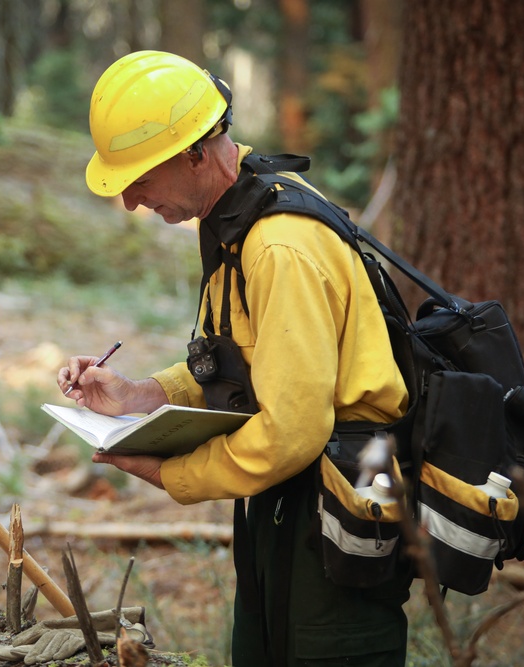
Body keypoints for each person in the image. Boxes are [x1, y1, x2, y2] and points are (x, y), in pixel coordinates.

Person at [58, 51, 412, 666]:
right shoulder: (235, 213)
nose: (131, 202)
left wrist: (171, 475)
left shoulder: (277, 243)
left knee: (327, 651)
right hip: (292, 488)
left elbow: (290, 433)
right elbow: (242, 362)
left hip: (346, 484)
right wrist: (139, 395)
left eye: (139, 178)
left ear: (194, 151)